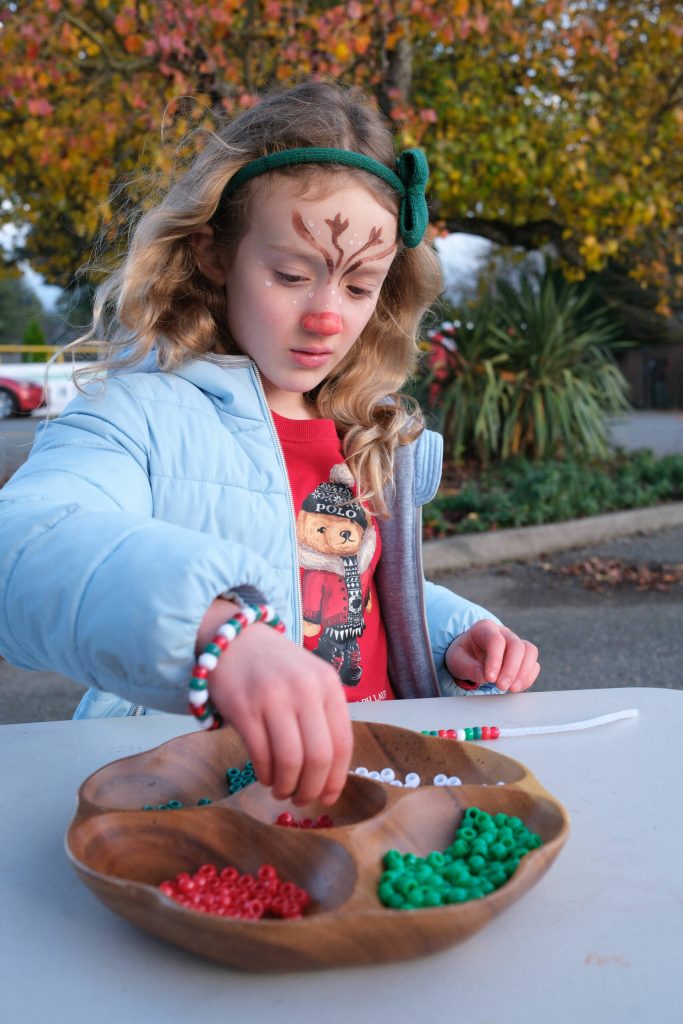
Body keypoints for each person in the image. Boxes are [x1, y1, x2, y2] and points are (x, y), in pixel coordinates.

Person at [0, 81, 539, 808]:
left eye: (359, 287)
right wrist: (217, 633)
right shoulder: (134, 414)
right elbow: (27, 545)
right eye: (290, 275)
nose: (325, 317)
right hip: (204, 796)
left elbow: (344, 590)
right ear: (214, 253)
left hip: (374, 782)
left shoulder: (364, 427)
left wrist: (451, 632)